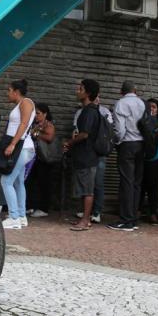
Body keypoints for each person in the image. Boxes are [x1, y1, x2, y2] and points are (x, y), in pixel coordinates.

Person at [108, 81, 146, 231]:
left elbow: (120, 130)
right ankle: (133, 219)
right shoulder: (143, 103)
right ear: (135, 90)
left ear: (121, 91)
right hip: (141, 145)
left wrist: (116, 142)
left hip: (128, 145)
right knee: (136, 183)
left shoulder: (121, 104)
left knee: (126, 183)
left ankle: (125, 221)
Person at [64, 79, 100, 232]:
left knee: (87, 190)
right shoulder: (88, 110)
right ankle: (84, 219)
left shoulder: (90, 111)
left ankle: (85, 220)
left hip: (87, 156)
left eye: (81, 88)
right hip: (84, 156)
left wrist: (70, 142)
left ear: (88, 93)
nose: (77, 91)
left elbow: (84, 134)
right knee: (84, 188)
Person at [0, 79, 36, 230]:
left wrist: (13, 144)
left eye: (9, 90)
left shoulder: (26, 102)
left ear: (16, 92)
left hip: (22, 148)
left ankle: (14, 217)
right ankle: (21, 216)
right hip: (23, 148)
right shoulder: (20, 104)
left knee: (6, 180)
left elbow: (24, 123)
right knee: (18, 182)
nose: (7, 93)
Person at [73, 97, 112, 224]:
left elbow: (83, 134)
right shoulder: (82, 111)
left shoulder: (99, 111)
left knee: (95, 184)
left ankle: (94, 213)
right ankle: (86, 212)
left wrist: (70, 142)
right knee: (87, 184)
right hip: (90, 152)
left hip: (94, 152)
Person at [139, 98, 158, 225]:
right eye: (149, 107)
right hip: (141, 156)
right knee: (140, 184)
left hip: (156, 157)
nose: (151, 109)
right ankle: (137, 209)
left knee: (153, 185)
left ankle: (153, 212)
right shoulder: (141, 121)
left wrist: (157, 123)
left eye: (154, 107)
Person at [26, 103, 55, 218]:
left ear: (45, 114)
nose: (36, 116)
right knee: (29, 182)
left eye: (38, 113)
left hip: (43, 158)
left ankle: (43, 208)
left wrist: (37, 134)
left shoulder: (49, 125)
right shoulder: (35, 124)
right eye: (35, 113)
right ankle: (29, 206)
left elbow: (49, 137)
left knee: (43, 183)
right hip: (33, 158)